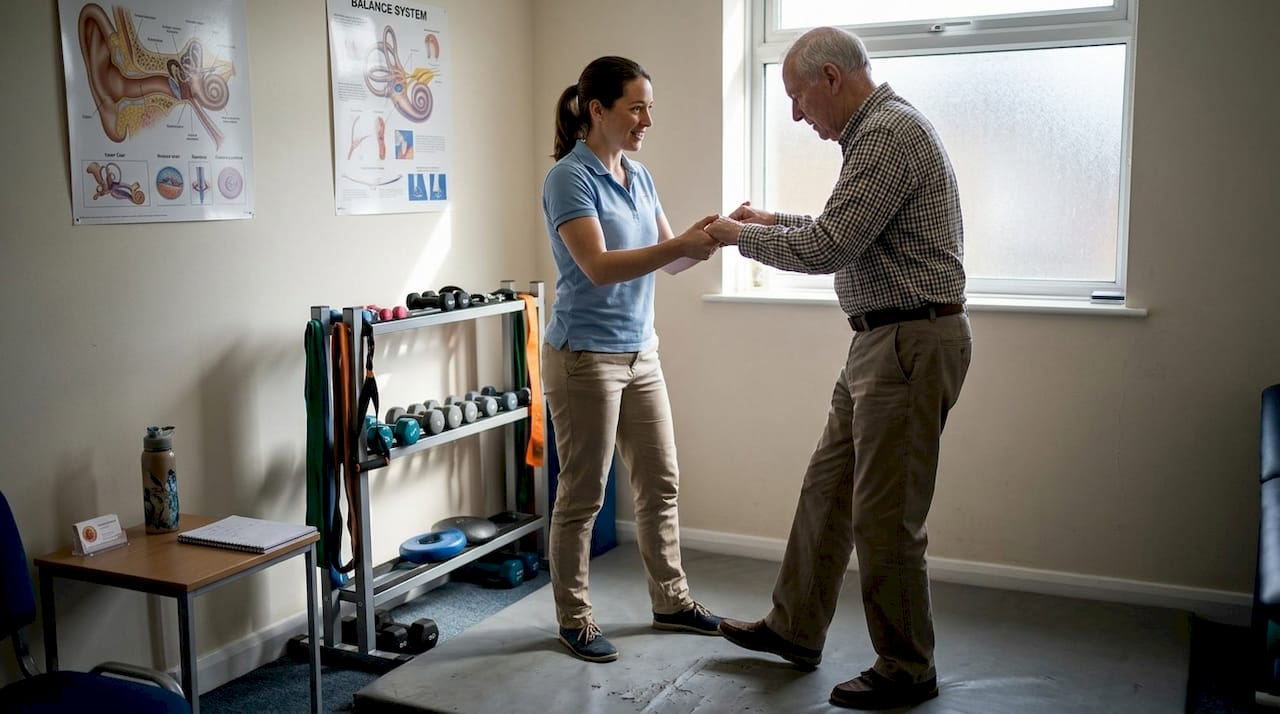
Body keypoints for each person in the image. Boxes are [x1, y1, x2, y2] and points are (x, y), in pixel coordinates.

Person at [705, 26, 972, 710]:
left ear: (830, 77)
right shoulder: (876, 133)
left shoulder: (886, 135)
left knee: (886, 519)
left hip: (907, 345)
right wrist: (768, 219)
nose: (796, 114)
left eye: (797, 96)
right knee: (827, 493)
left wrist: (742, 238)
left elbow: (830, 246)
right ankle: (795, 627)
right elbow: (846, 227)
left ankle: (908, 668)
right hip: (880, 345)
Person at [541, 55, 725, 663]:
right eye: (636, 107)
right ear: (598, 110)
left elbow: (669, 258)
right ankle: (575, 618)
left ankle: (670, 601)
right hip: (584, 358)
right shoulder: (570, 178)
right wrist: (677, 243)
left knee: (661, 483)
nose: (647, 119)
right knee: (584, 495)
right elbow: (597, 267)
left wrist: (716, 233)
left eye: (650, 107)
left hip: (641, 352)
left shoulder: (639, 177)